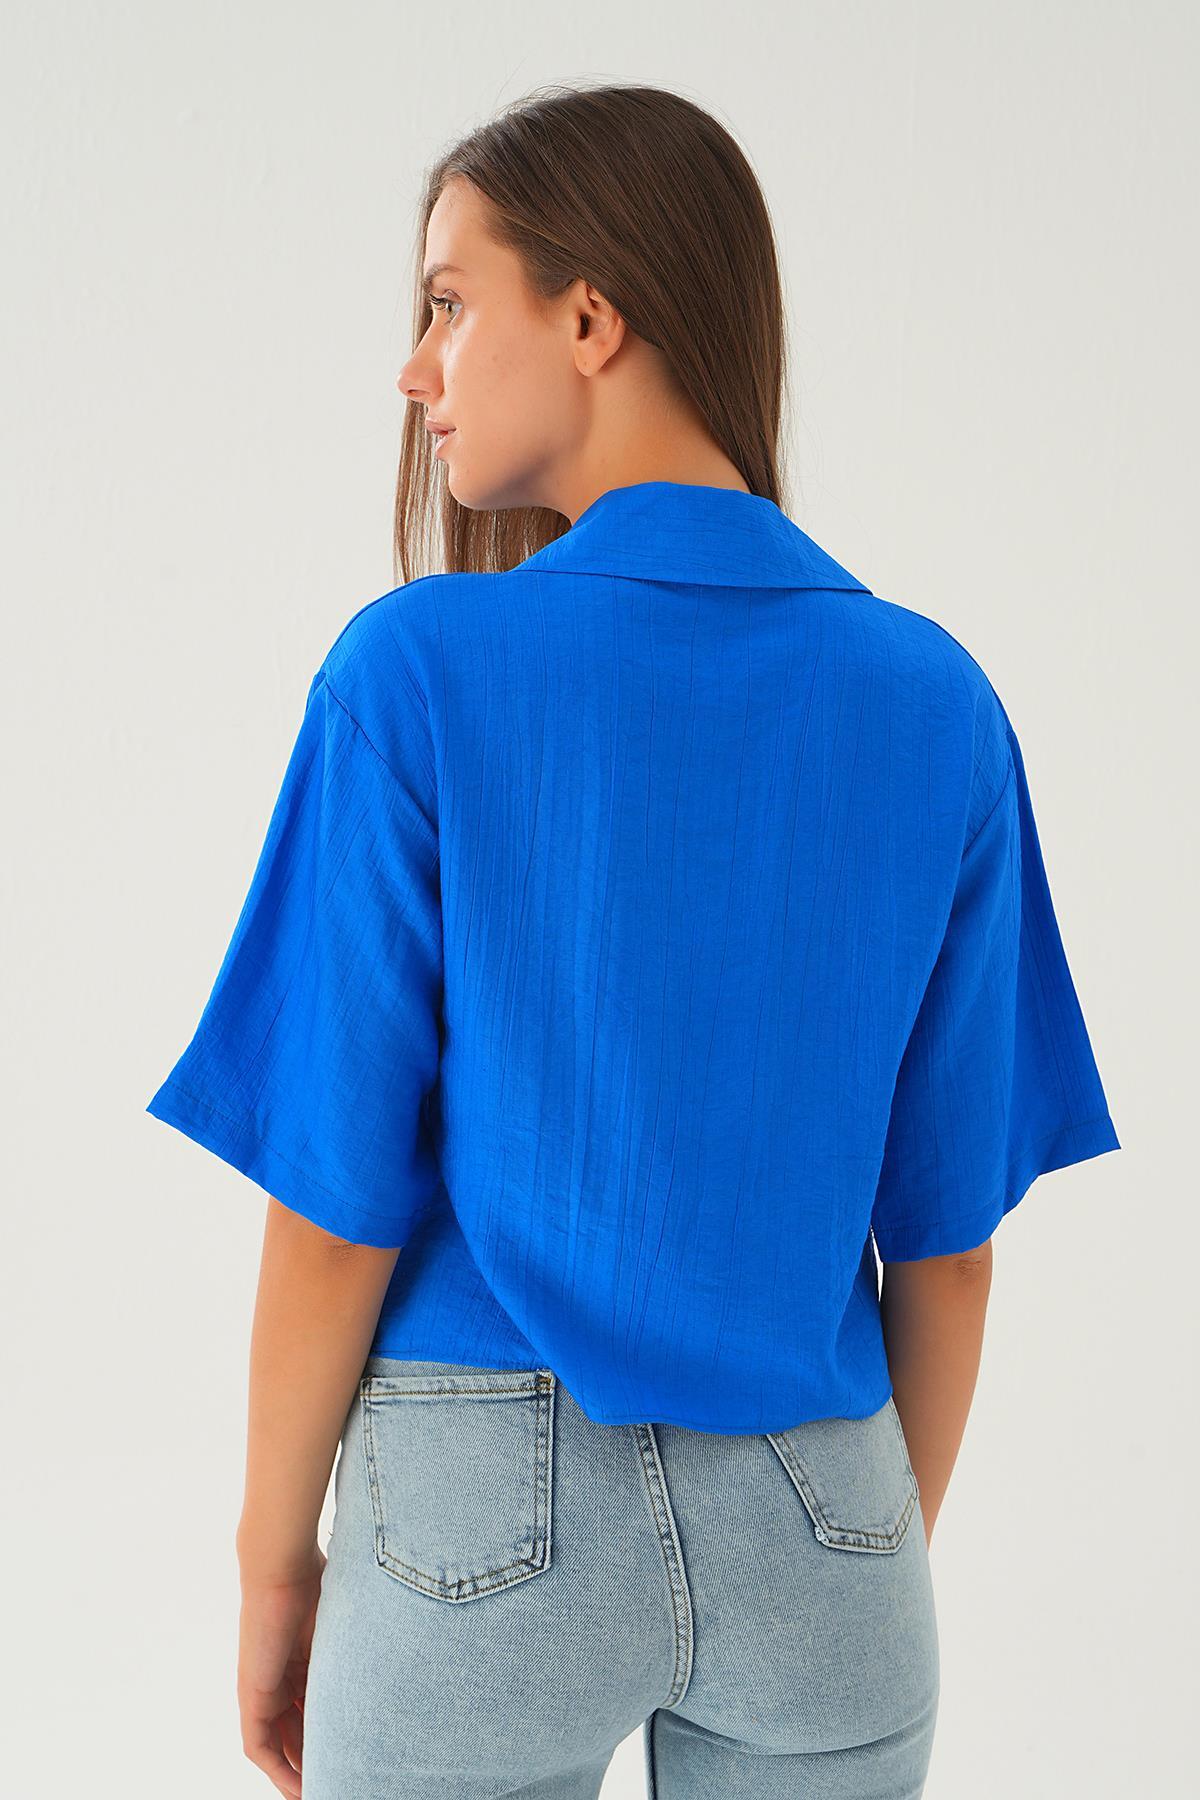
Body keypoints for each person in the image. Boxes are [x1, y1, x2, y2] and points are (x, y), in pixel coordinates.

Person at [145, 82, 1121, 1800]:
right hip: (827, 1507)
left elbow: (333, 1210)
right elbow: (949, 1249)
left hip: (477, 1522)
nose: (416, 368)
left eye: (451, 302)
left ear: (591, 317)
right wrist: (856, 1553)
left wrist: (273, 1564)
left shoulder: (416, 676)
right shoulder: (939, 706)